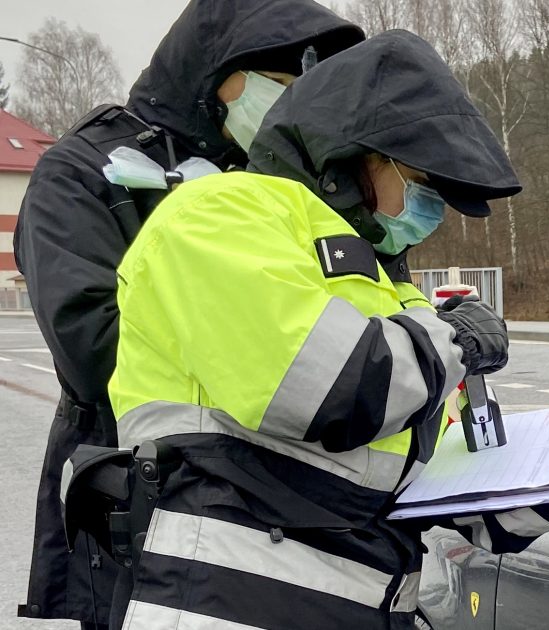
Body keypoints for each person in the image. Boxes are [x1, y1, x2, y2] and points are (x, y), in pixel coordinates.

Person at [94, 30, 549, 629]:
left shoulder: (385, 287)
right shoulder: (220, 212)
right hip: (229, 603)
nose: (429, 212)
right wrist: (452, 341)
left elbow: (428, 486)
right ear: (353, 155)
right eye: (423, 184)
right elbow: (328, 390)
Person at [13, 2, 364, 627]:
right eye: (276, 88)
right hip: (139, 498)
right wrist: (271, 350)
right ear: (214, 75)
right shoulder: (82, 173)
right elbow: (96, 352)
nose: (285, 107)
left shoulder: (270, 176)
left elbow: (347, 301)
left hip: (272, 501)